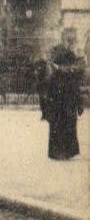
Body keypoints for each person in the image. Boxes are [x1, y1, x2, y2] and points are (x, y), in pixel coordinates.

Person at [41, 28, 85, 161]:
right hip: (62, 95)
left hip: (62, 95)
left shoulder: (68, 55)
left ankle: (63, 151)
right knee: (63, 123)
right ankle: (64, 151)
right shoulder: (61, 54)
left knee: (64, 123)